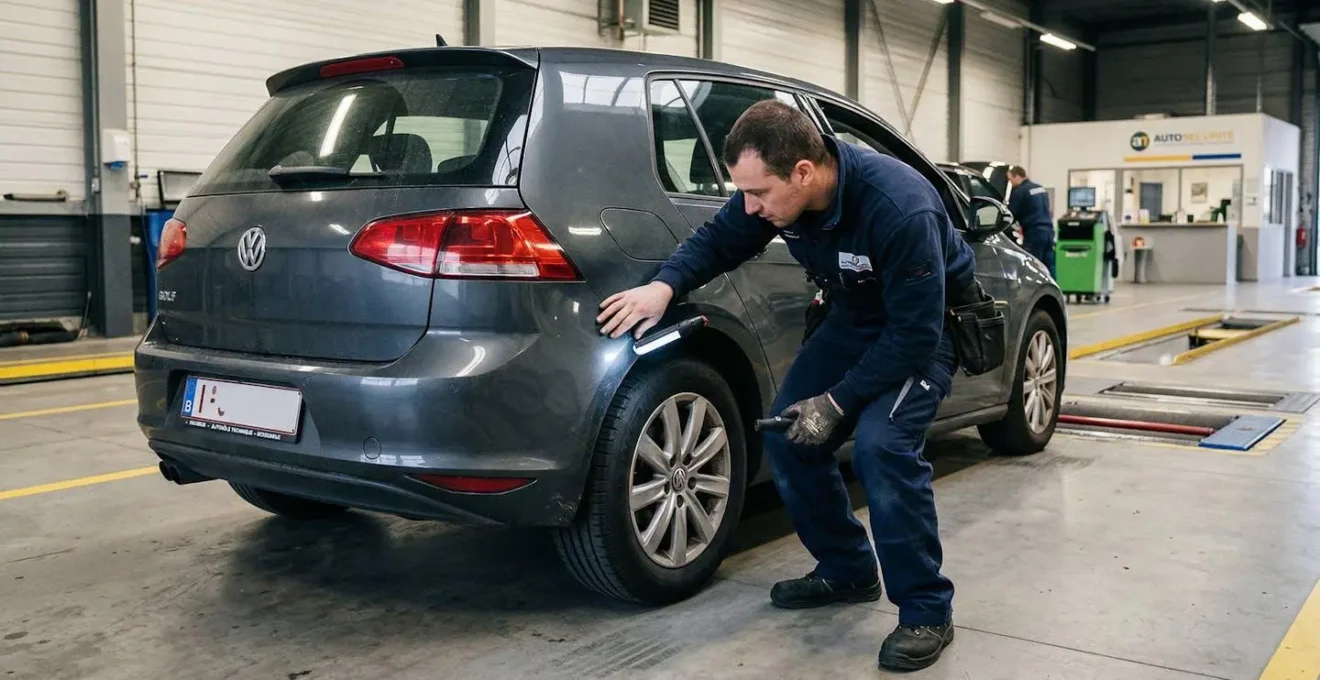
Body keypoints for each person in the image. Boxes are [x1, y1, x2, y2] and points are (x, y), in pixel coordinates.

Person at [596, 99, 976, 672]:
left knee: (883, 447)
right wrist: (665, 287)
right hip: (853, 318)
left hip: (925, 328)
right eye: (743, 192)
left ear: (804, 171)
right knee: (787, 433)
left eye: (760, 194)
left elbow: (915, 335)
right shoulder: (776, 195)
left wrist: (837, 401)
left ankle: (926, 609)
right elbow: (719, 240)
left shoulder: (900, 207)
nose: (751, 207)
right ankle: (847, 570)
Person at [1006, 165, 1056, 278]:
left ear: (1017, 176)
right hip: (1049, 231)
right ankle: (1055, 293)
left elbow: (1010, 215)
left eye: (1010, 180)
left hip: (1034, 233)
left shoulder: (1019, 192)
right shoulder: (1040, 188)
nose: (1010, 183)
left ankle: (1034, 294)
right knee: (1049, 266)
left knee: (1033, 267)